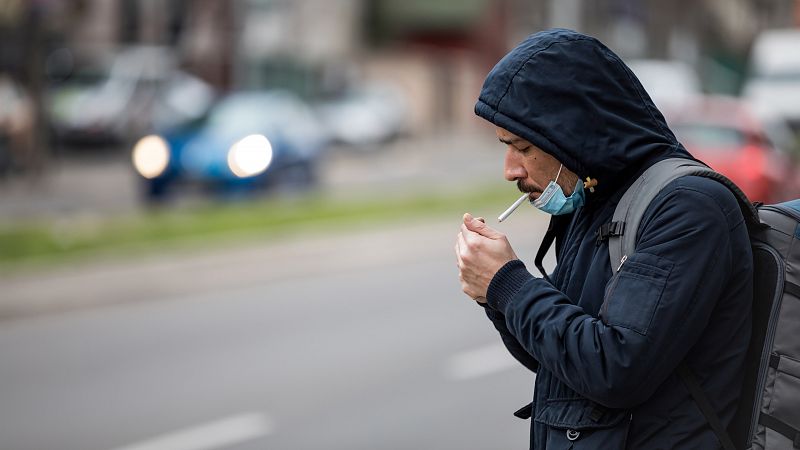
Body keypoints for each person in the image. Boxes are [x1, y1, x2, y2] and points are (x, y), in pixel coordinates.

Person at [454, 29, 752, 449]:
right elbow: (557, 360)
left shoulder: (688, 207)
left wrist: (508, 283)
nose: (510, 170)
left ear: (571, 131)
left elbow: (616, 369)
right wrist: (494, 294)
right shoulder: (597, 200)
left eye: (521, 146)